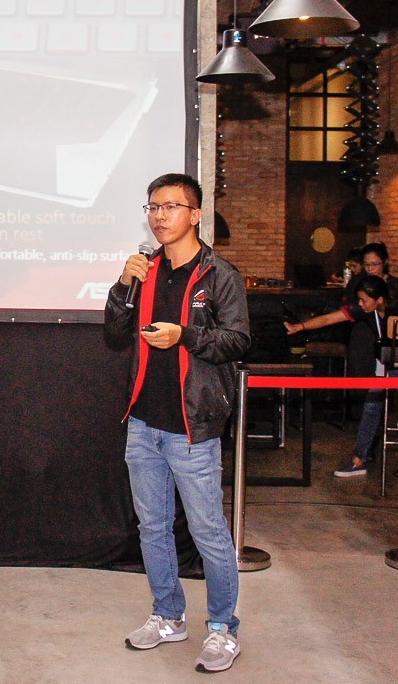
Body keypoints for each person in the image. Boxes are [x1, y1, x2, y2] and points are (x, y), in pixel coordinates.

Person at [104, 173, 250, 674]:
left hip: (192, 427)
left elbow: (238, 341)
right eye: (153, 207)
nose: (160, 216)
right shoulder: (145, 269)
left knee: (208, 532)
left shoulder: (219, 275)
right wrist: (123, 284)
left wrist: (185, 335)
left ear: (195, 214)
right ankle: (168, 615)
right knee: (152, 527)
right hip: (143, 422)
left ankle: (223, 627)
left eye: (170, 206)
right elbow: (114, 331)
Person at [284, 276, 394, 477]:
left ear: (379, 299)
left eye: (364, 300)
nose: (360, 304)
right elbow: (329, 318)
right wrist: (299, 327)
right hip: (382, 366)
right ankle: (359, 459)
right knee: (371, 407)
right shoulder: (366, 311)